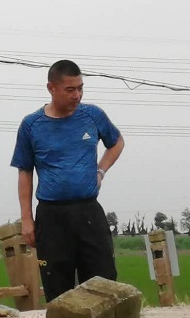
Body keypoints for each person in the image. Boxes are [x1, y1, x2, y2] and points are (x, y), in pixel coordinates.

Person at [11, 59, 125, 302]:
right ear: (51, 88)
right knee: (58, 290)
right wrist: (26, 219)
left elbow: (116, 142)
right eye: (70, 90)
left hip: (88, 212)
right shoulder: (31, 125)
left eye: (80, 88)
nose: (77, 95)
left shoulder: (92, 115)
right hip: (51, 216)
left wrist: (101, 171)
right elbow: (24, 172)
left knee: (103, 286)